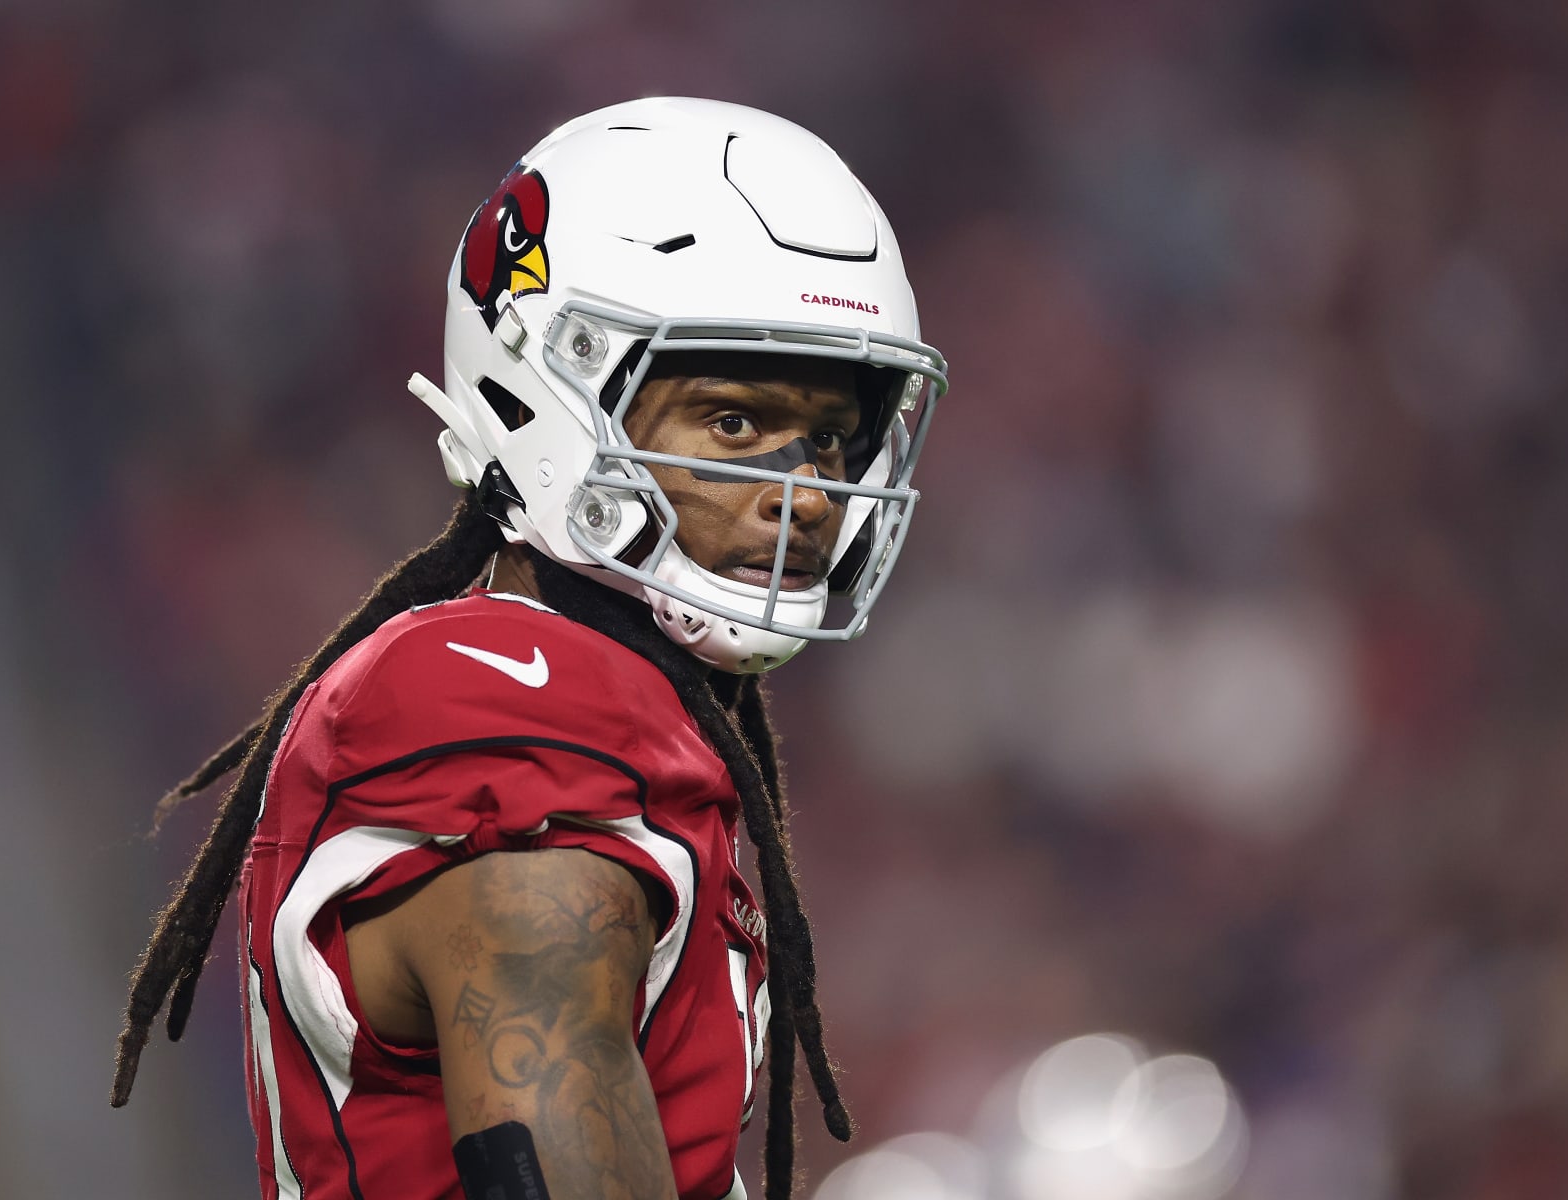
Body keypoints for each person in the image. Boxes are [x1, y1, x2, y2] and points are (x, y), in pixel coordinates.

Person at [110, 96, 947, 1200]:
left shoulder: (633, 715)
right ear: (552, 393)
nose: (810, 495)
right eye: (735, 422)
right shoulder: (500, 707)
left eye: (832, 436)